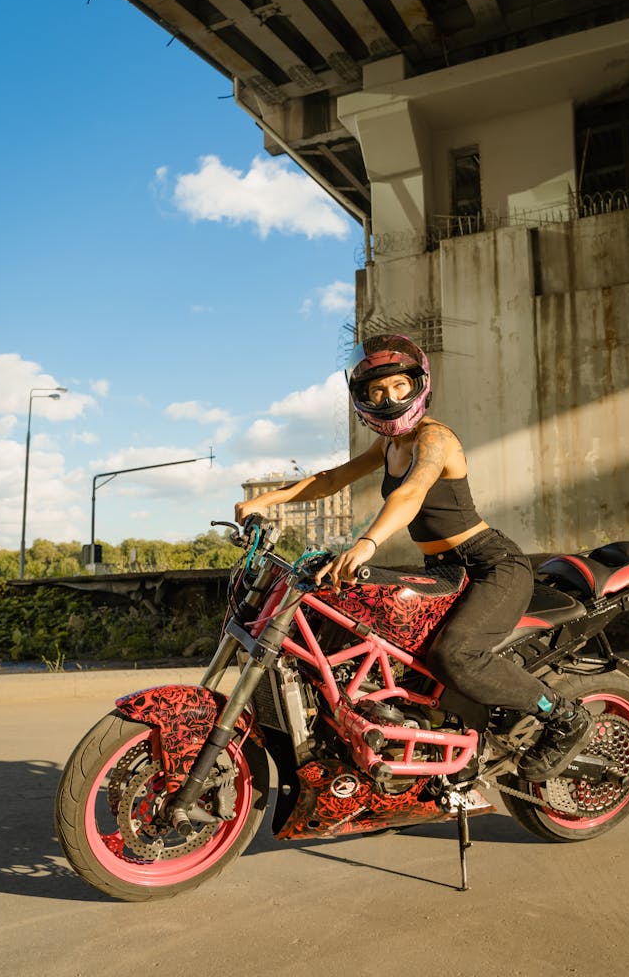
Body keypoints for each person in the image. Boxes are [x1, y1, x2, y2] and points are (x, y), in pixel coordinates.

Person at [234, 334, 594, 783]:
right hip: (443, 570)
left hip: (491, 566)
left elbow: (411, 492)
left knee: (456, 655)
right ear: (362, 398)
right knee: (367, 622)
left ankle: (563, 717)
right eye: (376, 391)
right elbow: (330, 480)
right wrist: (266, 500)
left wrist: (367, 543)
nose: (388, 398)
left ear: (417, 386)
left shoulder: (435, 438)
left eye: (398, 386)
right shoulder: (386, 447)